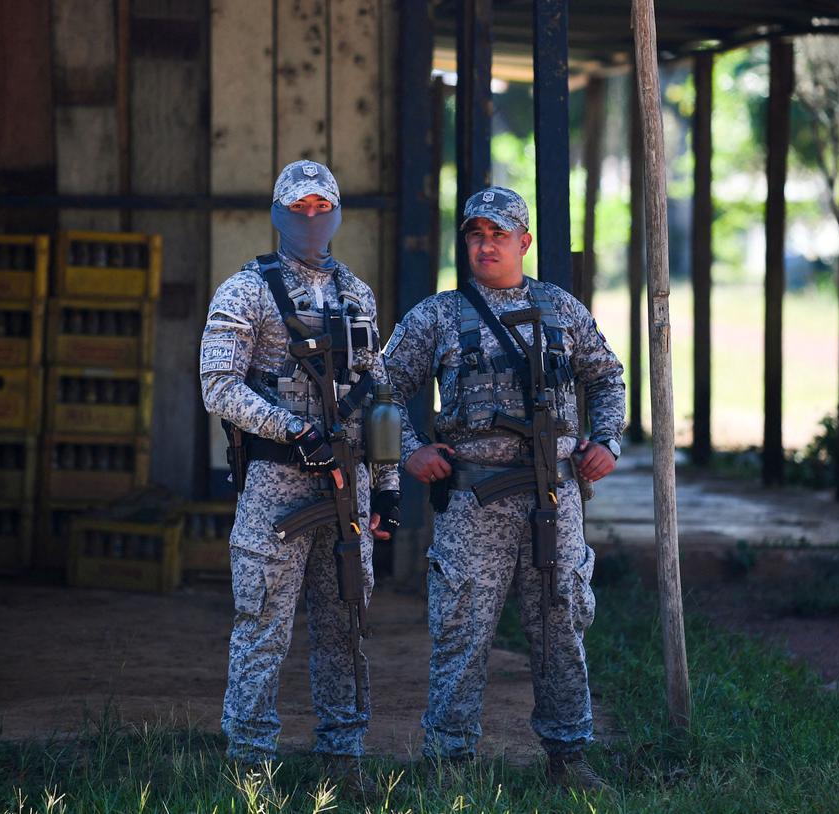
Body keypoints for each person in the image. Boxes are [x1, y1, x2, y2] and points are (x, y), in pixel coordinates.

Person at [383, 186, 626, 791]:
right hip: (474, 500)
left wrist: (608, 440)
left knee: (561, 622)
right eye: (474, 234)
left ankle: (569, 757)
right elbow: (379, 389)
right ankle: (449, 762)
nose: (485, 244)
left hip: (556, 497)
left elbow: (608, 376)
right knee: (461, 627)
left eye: (498, 234)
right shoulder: (436, 315)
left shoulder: (562, 310)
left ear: (525, 241)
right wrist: (410, 451)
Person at [199, 160, 399, 792]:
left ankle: (344, 755)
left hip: (348, 485)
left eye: (321, 209)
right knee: (263, 626)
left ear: (336, 215)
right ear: (276, 215)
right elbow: (218, 385)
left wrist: (388, 488)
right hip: (276, 488)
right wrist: (292, 428)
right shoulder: (245, 291)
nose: (310, 221)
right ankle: (250, 761)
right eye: (297, 209)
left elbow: (379, 392)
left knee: (346, 620)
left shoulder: (358, 294)